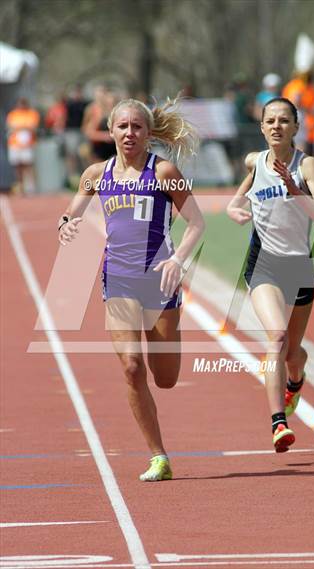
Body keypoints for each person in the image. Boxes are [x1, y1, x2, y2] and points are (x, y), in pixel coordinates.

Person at [58, 97, 205, 481]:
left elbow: (196, 224)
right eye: (122, 126)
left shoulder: (165, 171)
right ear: (110, 131)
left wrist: (177, 261)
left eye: (137, 127)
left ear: (149, 133)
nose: (129, 133)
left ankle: (172, 337)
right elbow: (70, 213)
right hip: (119, 280)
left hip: (159, 281)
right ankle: (159, 456)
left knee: (166, 378)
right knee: (131, 367)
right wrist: (66, 225)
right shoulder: (95, 174)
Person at [226, 97, 314, 452]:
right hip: (264, 265)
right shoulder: (254, 161)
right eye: (270, 121)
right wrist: (233, 206)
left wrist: (295, 190)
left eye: (284, 120)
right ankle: (279, 423)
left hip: (299, 267)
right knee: (276, 338)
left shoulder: (308, 165)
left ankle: (296, 381)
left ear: (295, 127)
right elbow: (246, 182)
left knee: (292, 353)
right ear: (261, 127)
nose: (276, 126)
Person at [6, 97, 41, 195]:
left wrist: (19, 127)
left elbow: (33, 127)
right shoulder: (13, 114)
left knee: (28, 166)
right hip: (15, 144)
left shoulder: (32, 113)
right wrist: (24, 127)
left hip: (28, 144)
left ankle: (31, 187)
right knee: (17, 167)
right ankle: (20, 188)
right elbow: (11, 127)